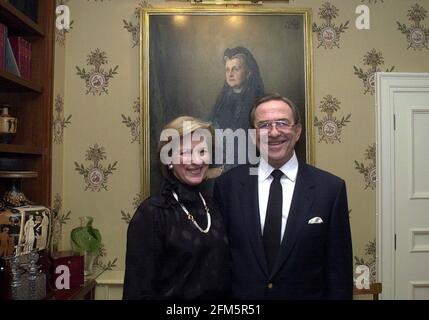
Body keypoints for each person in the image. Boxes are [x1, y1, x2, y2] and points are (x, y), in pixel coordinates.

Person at [214, 94, 353, 300]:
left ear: (297, 131)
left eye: (282, 123)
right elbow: (218, 264)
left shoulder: (330, 189)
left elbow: (339, 272)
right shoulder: (228, 186)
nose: (274, 132)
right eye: (264, 125)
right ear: (253, 135)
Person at [123, 116, 230, 300]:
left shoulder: (212, 206)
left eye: (202, 151)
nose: (196, 161)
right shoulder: (153, 212)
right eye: (186, 153)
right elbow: (138, 292)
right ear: (168, 159)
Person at [211, 46, 265, 171]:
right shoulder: (221, 102)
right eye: (227, 70)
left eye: (235, 69)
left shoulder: (259, 103)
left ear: (248, 72)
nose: (230, 74)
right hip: (222, 167)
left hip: (250, 168)